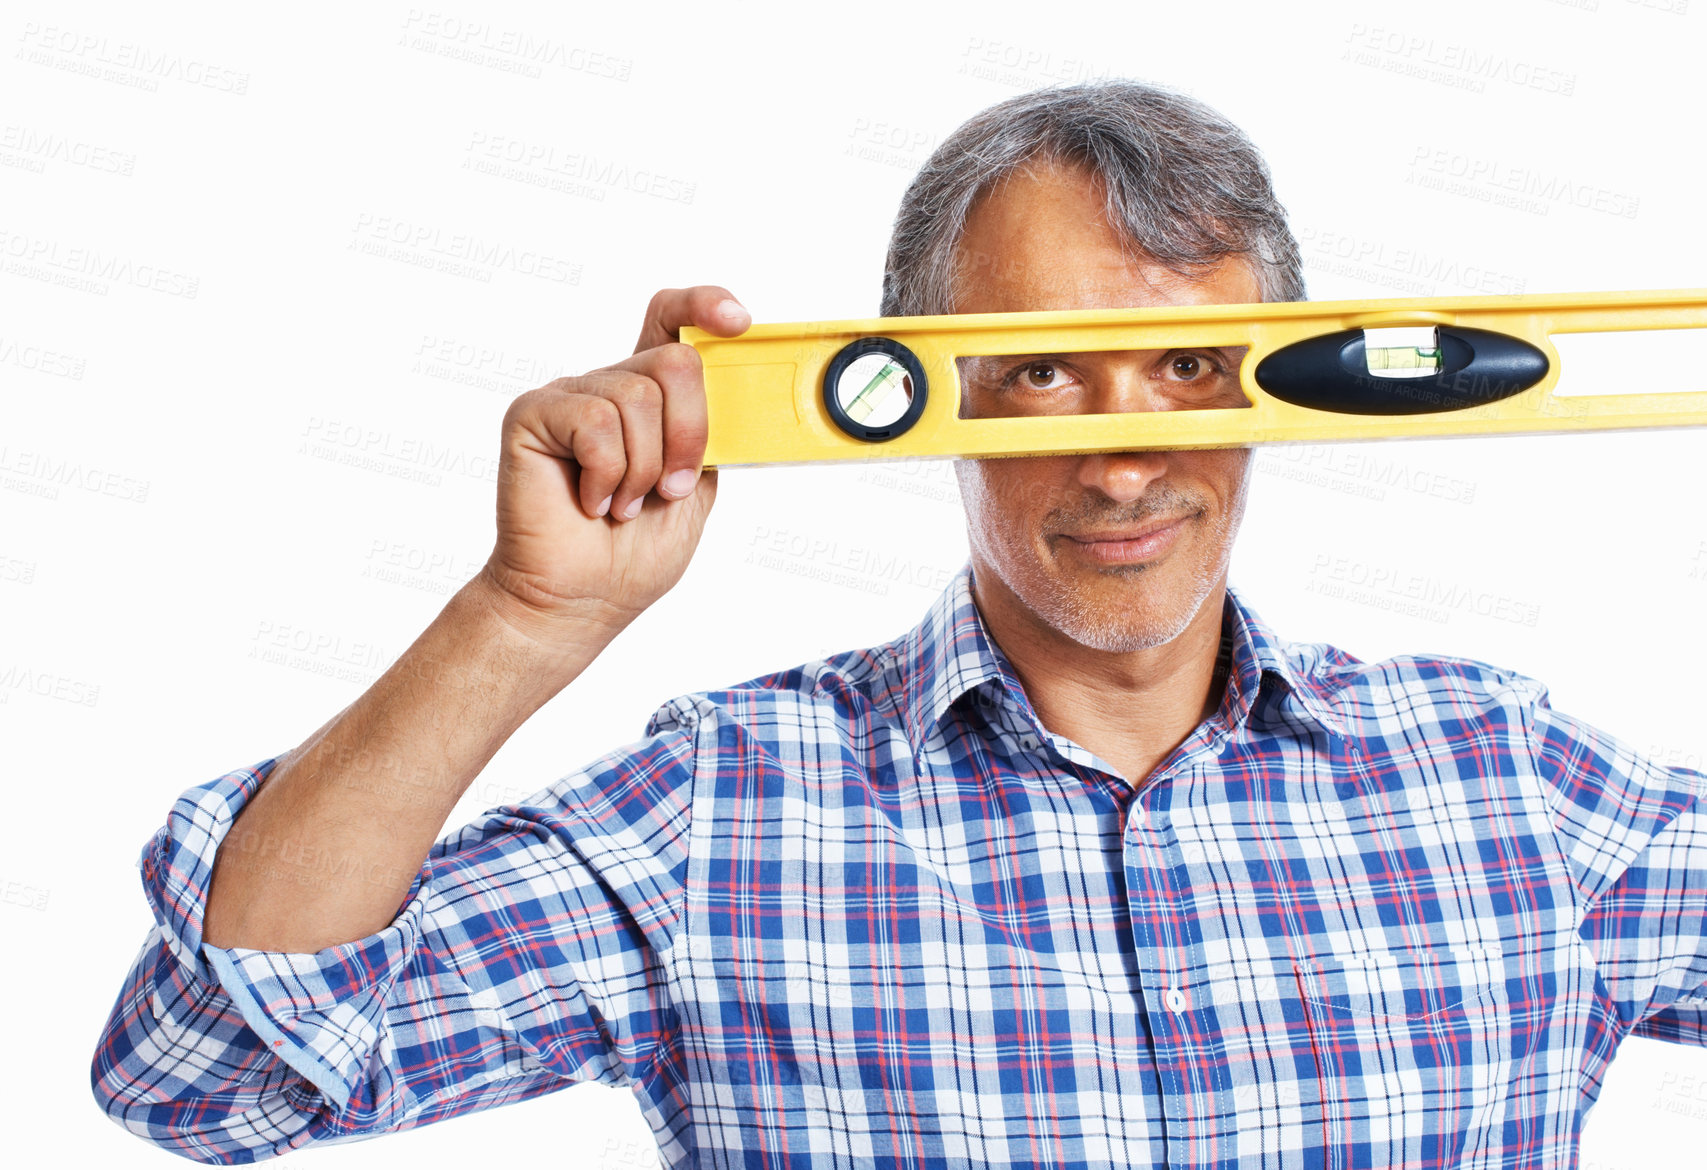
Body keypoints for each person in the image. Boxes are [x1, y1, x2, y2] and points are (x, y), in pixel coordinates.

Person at [91, 80, 1707, 1169]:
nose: (1125, 451)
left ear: (1282, 380)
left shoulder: (1513, 780)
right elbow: (211, 1071)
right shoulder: (729, 806)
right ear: (914, 393)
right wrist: (520, 620)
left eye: (1190, 367)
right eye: (1038, 371)